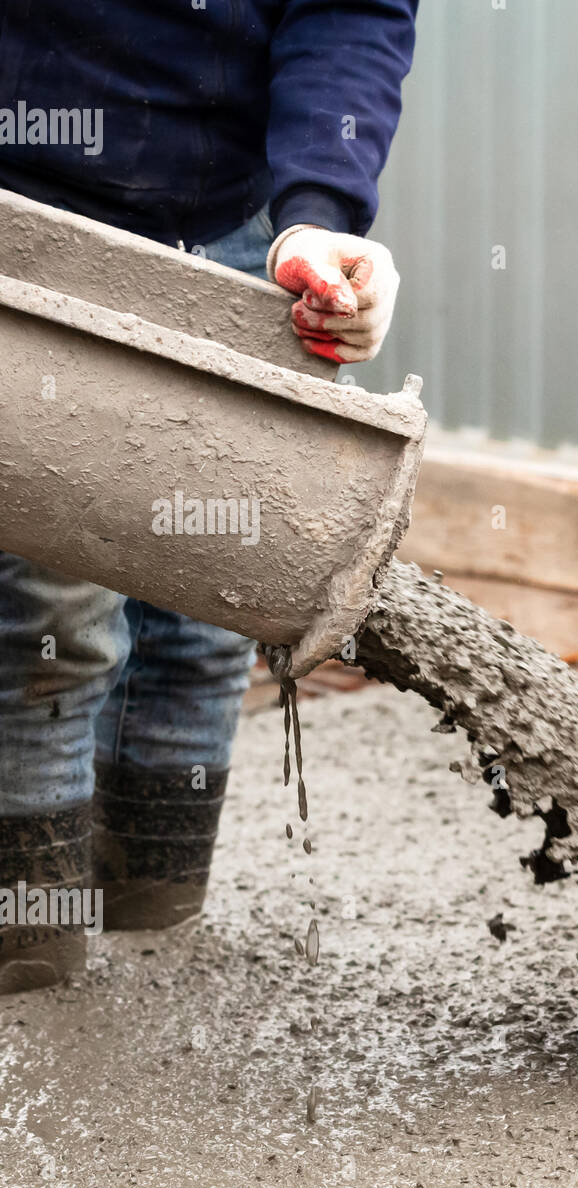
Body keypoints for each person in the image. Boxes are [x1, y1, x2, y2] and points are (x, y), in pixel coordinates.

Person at [0, 0, 419, 993]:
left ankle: (152, 946)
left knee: (210, 606)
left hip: (224, 225)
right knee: (46, 617)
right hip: (24, 212)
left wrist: (319, 210)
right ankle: (33, 966)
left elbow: (348, 10)